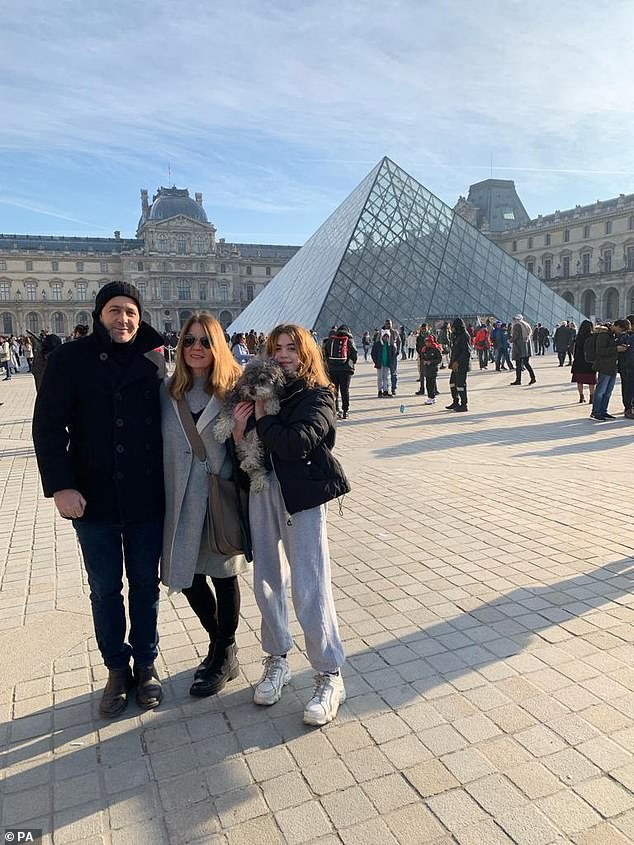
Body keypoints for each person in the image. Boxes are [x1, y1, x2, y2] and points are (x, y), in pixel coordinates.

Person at [32, 281, 165, 718]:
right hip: (94, 498)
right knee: (105, 590)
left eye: (130, 310)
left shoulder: (158, 356)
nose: (123, 319)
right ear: (98, 313)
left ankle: (145, 664)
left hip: (148, 496)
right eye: (115, 310)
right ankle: (115, 667)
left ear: (139, 314)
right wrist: (61, 486)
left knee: (145, 586)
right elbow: (48, 427)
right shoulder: (70, 359)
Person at [233, 323, 350, 726]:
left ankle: (330, 673)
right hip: (262, 493)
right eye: (277, 348)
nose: (284, 354)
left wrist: (263, 417)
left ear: (306, 354)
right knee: (265, 581)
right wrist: (237, 430)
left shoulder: (319, 395)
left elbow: (296, 442)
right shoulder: (261, 389)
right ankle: (277, 658)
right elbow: (243, 449)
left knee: (309, 586)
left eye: (292, 348)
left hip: (300, 499)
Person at [161, 314, 251, 697]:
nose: (196, 348)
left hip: (217, 498)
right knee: (190, 574)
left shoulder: (235, 391)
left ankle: (224, 650)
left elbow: (254, 449)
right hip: (177, 499)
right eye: (189, 341)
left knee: (223, 574)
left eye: (204, 341)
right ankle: (220, 644)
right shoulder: (167, 392)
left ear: (218, 346)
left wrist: (242, 433)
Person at [590, 320, 630, 421]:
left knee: (608, 391)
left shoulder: (612, 334)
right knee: (600, 391)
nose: (622, 332)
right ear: (616, 325)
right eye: (621, 330)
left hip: (612, 367)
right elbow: (600, 351)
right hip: (604, 366)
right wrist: (616, 349)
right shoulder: (604, 334)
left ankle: (603, 411)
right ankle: (595, 412)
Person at [323, 324, 357, 419]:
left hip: (332, 369)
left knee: (334, 390)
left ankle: (335, 410)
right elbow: (354, 354)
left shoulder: (331, 340)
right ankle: (345, 411)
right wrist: (351, 362)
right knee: (344, 390)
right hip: (346, 369)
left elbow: (324, 353)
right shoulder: (349, 340)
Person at [446, 318, 470, 412]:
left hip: (461, 365)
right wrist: (452, 363)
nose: (452, 328)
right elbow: (455, 351)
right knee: (452, 383)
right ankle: (455, 401)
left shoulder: (464, 336)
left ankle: (464, 405)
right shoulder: (456, 336)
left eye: (453, 326)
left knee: (460, 384)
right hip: (455, 365)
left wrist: (457, 362)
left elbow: (466, 352)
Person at [570, 319, 596, 404]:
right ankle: (592, 397)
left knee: (579, 380)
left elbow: (574, 350)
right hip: (589, 361)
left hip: (579, 361)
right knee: (591, 381)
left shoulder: (578, 337)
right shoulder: (593, 337)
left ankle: (581, 396)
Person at [510, 314, 536, 386]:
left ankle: (518, 380)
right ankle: (533, 377)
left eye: (514, 319)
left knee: (518, 364)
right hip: (526, 346)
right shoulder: (526, 324)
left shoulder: (517, 325)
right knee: (526, 363)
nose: (514, 320)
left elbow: (516, 336)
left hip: (519, 347)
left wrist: (510, 340)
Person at [372, 330, 398, 397]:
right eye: (384, 337)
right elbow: (373, 353)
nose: (386, 338)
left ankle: (386, 391)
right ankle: (380, 391)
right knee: (380, 378)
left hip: (387, 363)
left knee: (386, 378)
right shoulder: (377, 344)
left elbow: (394, 353)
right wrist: (376, 361)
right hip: (380, 364)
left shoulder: (390, 345)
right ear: (382, 337)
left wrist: (391, 361)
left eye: (387, 337)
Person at [420, 334, 442, 404]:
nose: (427, 343)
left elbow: (439, 359)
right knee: (427, 383)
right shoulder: (424, 349)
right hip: (426, 369)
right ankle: (430, 397)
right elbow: (422, 358)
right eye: (426, 342)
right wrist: (424, 361)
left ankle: (432, 397)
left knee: (432, 383)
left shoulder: (436, 349)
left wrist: (431, 362)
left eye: (429, 342)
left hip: (433, 369)